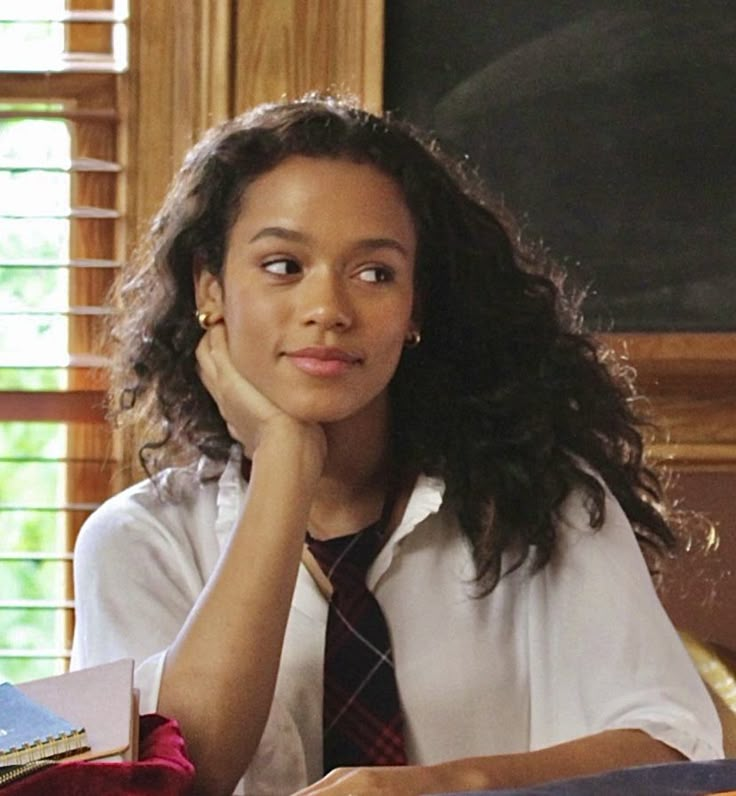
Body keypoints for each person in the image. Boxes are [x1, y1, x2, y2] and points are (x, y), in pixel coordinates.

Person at [70, 94, 723, 796]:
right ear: (211, 288)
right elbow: (172, 779)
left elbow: (676, 752)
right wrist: (286, 463)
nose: (329, 309)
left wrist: (439, 787)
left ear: (415, 305)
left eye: (375, 273)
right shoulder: (137, 542)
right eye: (283, 266)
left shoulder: (546, 505)